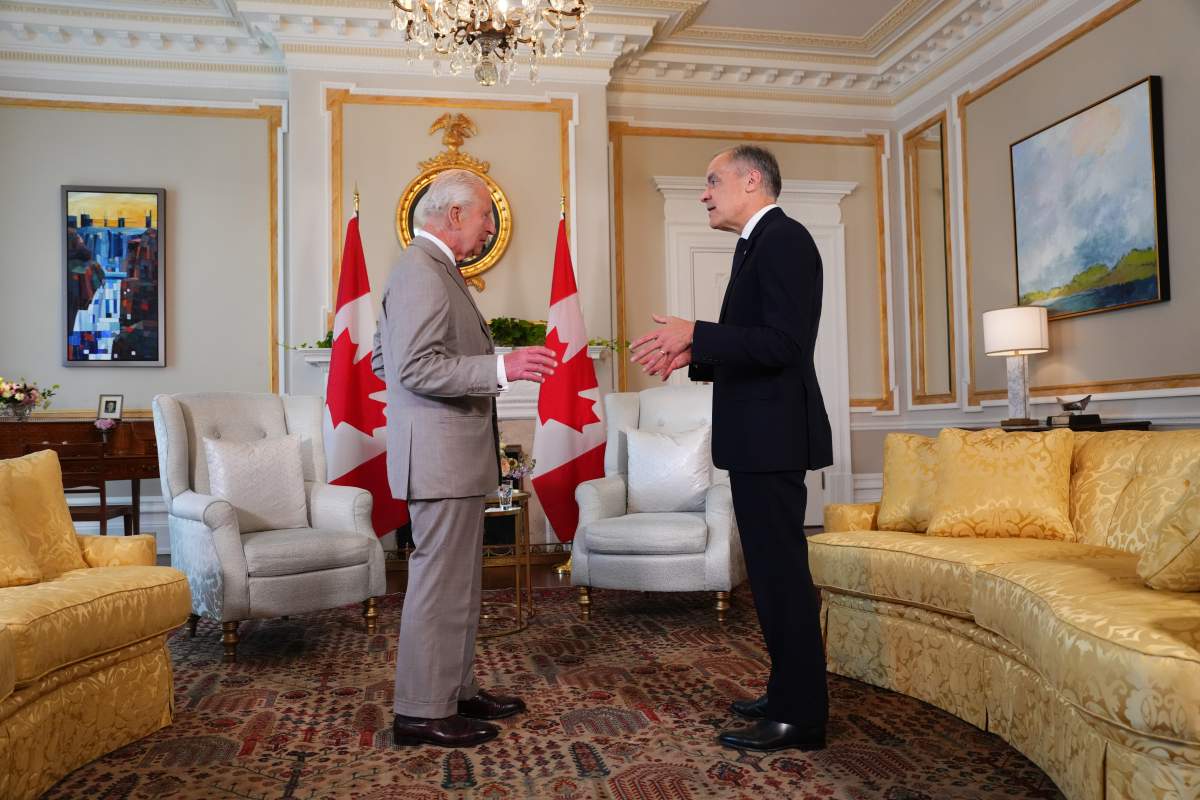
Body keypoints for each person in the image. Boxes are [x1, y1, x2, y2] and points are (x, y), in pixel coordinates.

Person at [629, 145, 833, 753]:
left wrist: (697, 332)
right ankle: (787, 688)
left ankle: (802, 716)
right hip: (757, 437)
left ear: (752, 180)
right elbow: (755, 344)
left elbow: (785, 344)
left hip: (773, 440)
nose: (704, 193)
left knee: (781, 577)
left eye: (712, 180)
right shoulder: (755, 242)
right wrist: (697, 352)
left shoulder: (785, 239)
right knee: (768, 577)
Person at [372, 169, 558, 748]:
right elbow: (413, 368)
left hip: (443, 453)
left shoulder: (429, 271)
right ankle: (420, 711)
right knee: (439, 583)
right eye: (484, 217)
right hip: (439, 458)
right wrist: (502, 367)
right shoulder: (423, 274)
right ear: (453, 215)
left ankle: (453, 692)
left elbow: (385, 360)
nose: (487, 229)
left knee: (458, 584)